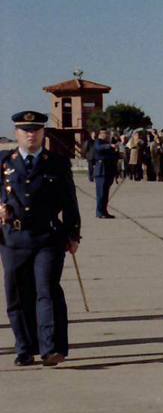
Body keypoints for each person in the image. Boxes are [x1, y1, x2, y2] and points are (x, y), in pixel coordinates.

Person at [1, 111, 80, 367]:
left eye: (35, 129)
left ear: (43, 132)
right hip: (13, 237)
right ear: (17, 133)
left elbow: (69, 201)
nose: (30, 134)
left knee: (46, 290)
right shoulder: (4, 162)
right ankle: (24, 348)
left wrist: (72, 233)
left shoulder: (56, 163)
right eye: (25, 130)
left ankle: (51, 348)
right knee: (17, 295)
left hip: (47, 237)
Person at [87, 128, 120, 219]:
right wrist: (110, 146)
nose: (108, 135)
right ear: (101, 134)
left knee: (105, 194)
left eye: (108, 134)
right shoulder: (98, 142)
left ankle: (104, 211)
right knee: (100, 194)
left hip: (109, 171)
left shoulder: (108, 144)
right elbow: (98, 148)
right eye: (106, 134)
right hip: (101, 171)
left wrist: (117, 152)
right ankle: (99, 212)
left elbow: (113, 156)